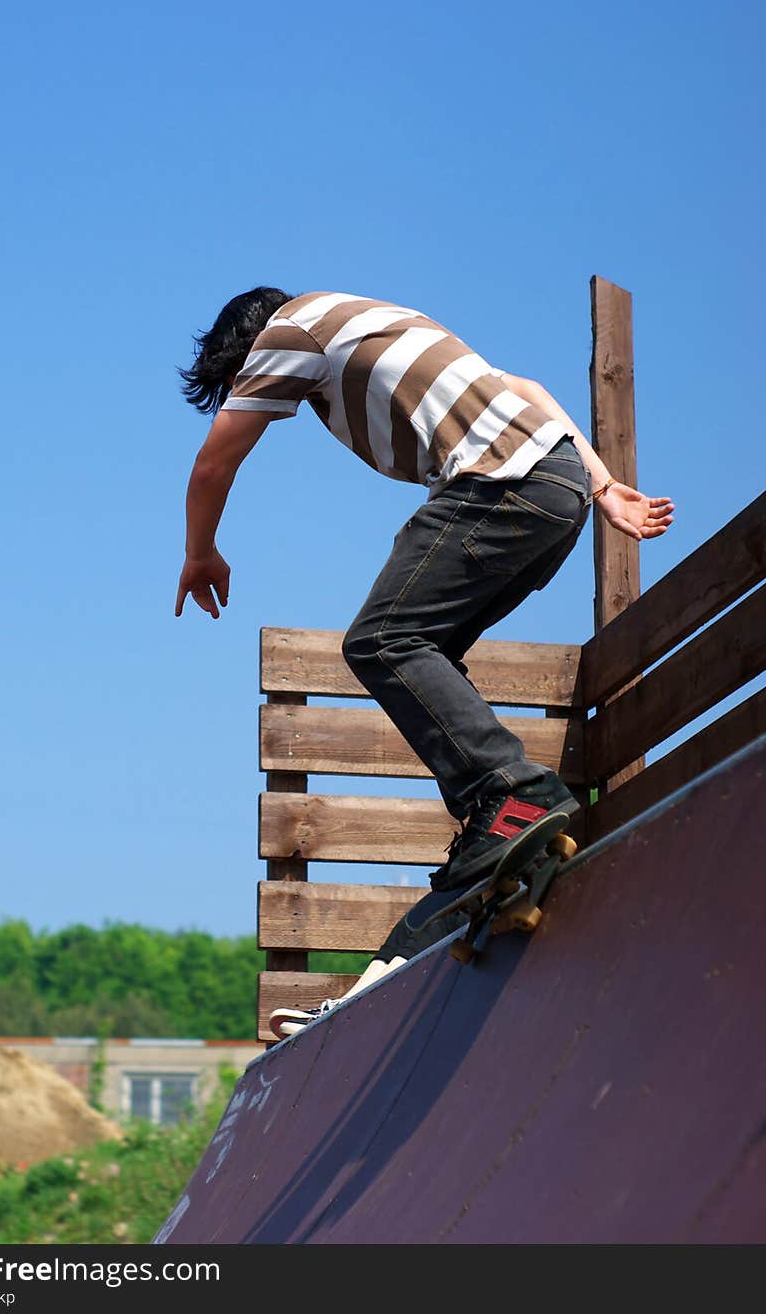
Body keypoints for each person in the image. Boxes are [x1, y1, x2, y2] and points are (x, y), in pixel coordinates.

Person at [175, 287, 674, 1038]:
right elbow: (531, 390)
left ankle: (510, 794)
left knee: (380, 640)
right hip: (558, 485)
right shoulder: (381, 321)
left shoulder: (288, 331)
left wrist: (199, 551)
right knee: (423, 645)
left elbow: (213, 464)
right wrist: (602, 488)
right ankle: (492, 816)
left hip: (504, 487)